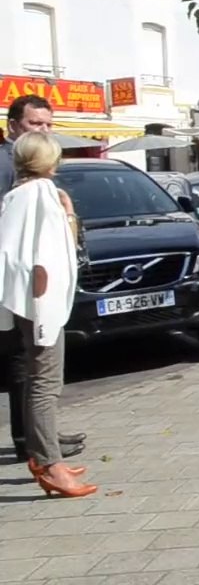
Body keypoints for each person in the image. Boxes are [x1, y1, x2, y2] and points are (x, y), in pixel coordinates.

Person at [0, 132, 96, 497]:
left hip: (29, 300)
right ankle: (50, 464)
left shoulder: (16, 195)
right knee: (45, 382)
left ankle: (46, 457)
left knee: (39, 379)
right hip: (42, 302)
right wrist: (69, 211)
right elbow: (45, 253)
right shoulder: (42, 195)